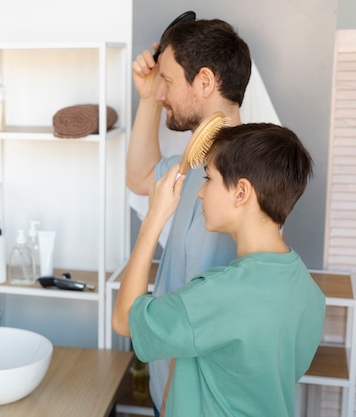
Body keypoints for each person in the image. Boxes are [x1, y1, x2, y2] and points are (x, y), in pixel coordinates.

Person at [113, 123, 325, 417]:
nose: (199, 192)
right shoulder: (309, 292)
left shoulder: (216, 296)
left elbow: (124, 321)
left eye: (208, 178)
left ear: (241, 192)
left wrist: (154, 218)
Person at [125, 18, 253, 413]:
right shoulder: (196, 162)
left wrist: (171, 401)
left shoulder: (239, 182)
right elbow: (141, 177)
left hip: (192, 398)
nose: (163, 93)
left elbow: (199, 318)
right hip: (171, 388)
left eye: (168, 80)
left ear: (204, 82)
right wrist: (148, 99)